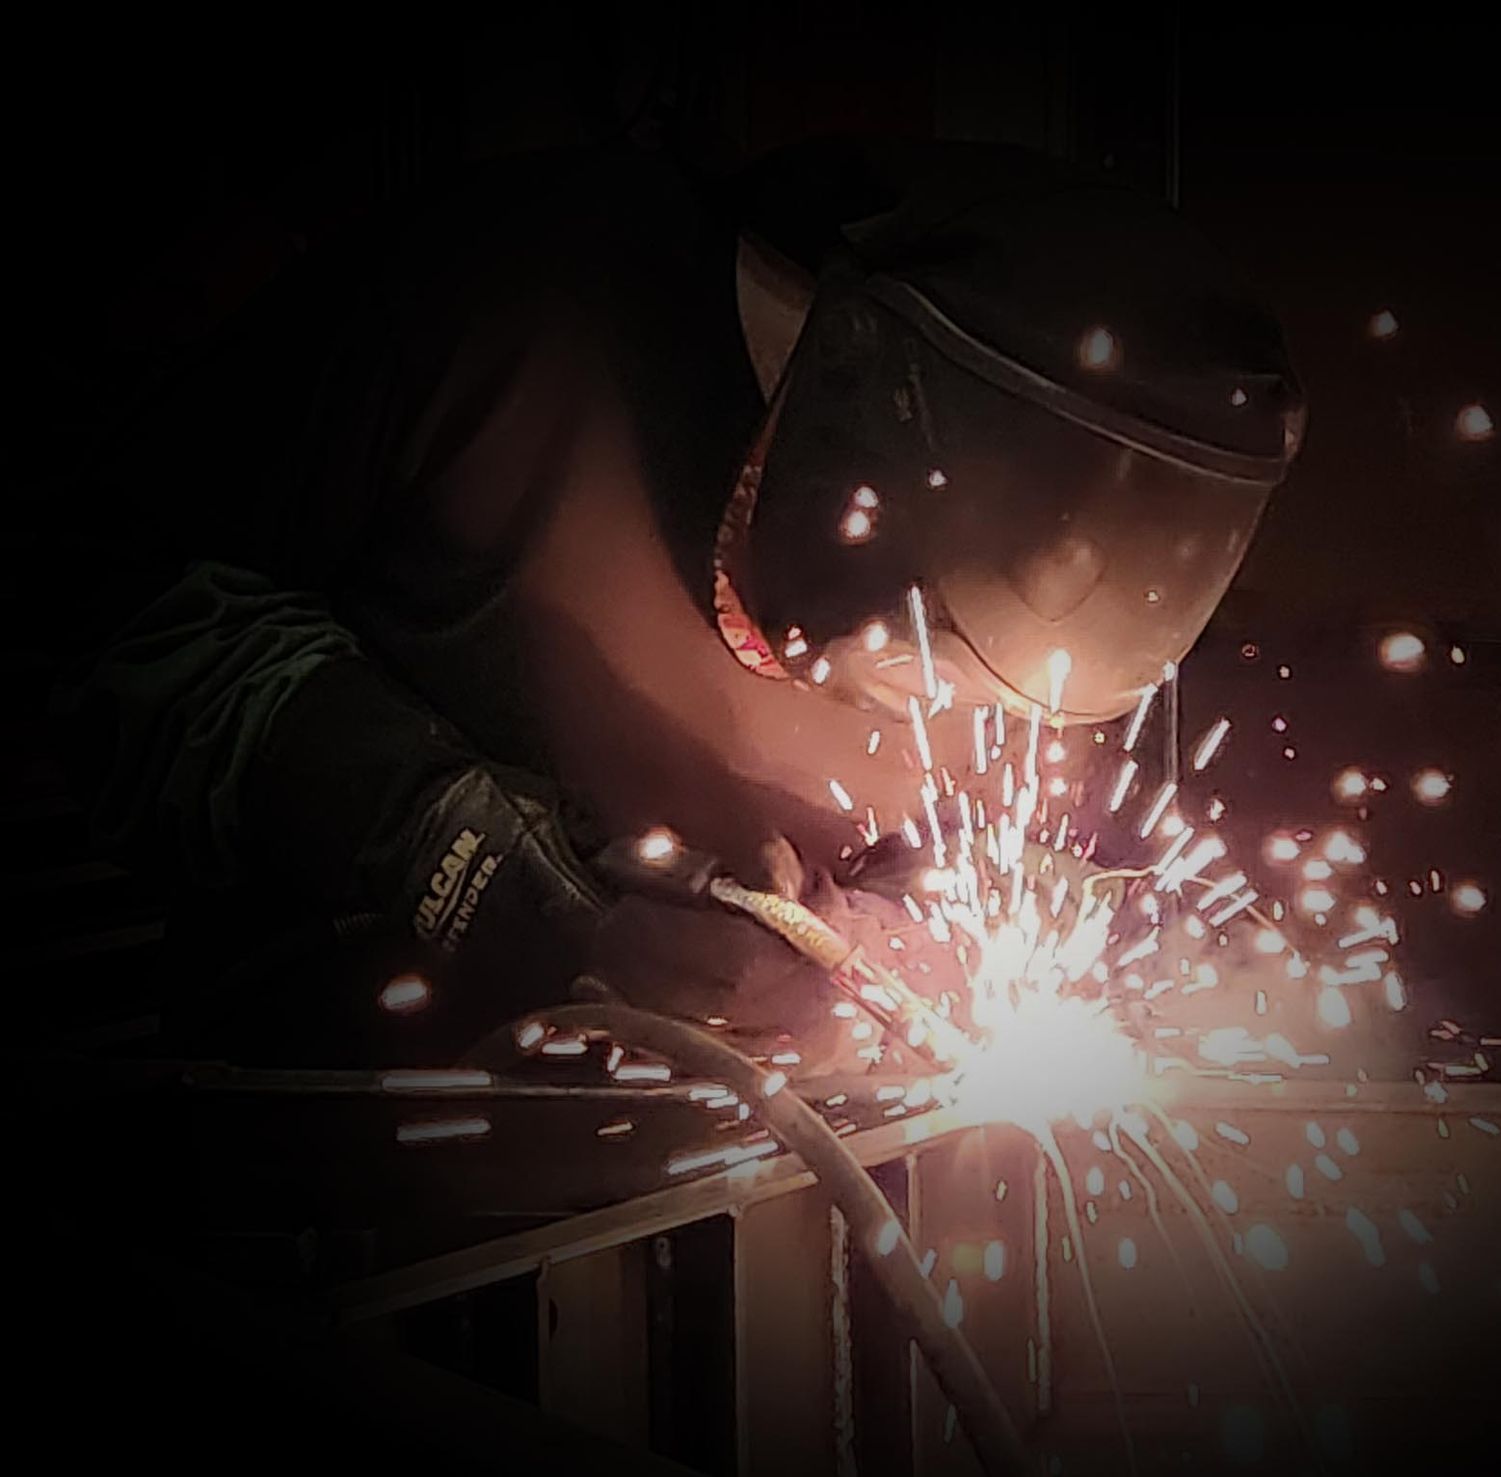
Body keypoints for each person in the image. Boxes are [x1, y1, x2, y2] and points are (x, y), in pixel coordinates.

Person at [58, 134, 1305, 1068]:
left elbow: (1045, 860)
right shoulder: (519, 298)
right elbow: (100, 599)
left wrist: (904, 927)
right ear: (843, 392)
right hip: (307, 1165)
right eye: (922, 664)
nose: (920, 713)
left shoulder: (1076, 603)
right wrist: (492, 875)